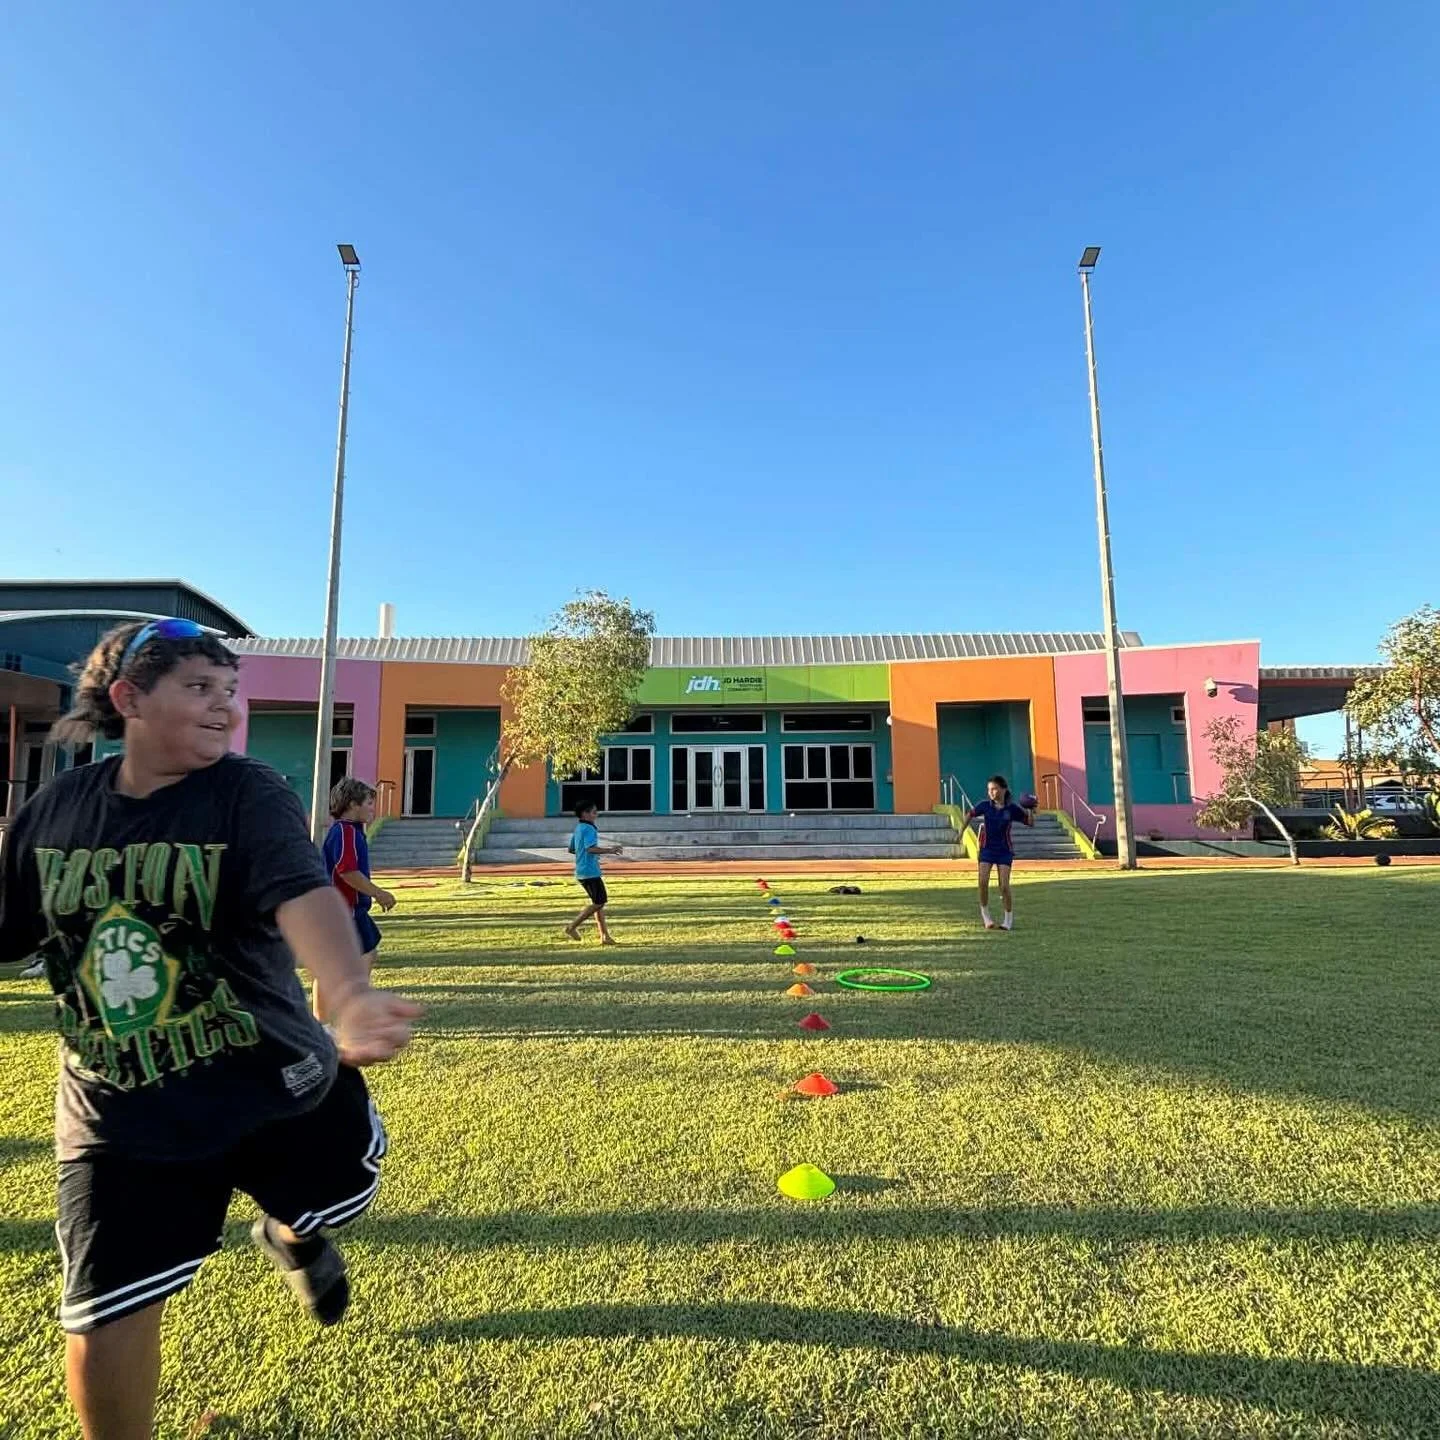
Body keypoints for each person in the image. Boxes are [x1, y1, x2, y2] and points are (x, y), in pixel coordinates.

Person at [0, 618, 421, 1440]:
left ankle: (293, 1234)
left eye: (230, 692)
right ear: (129, 700)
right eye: (200, 687)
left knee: (332, 1197)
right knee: (102, 1312)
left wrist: (348, 990)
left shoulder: (243, 790)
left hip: (270, 1086)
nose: (225, 709)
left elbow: (301, 892)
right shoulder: (55, 811)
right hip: (118, 1109)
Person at [317, 777, 396, 1023]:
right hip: (344, 910)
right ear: (352, 804)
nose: (373, 808)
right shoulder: (345, 832)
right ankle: (341, 1017)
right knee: (346, 962)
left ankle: (332, 1018)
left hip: (347, 910)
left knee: (365, 953)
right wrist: (378, 892)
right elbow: (347, 870)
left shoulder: (349, 831)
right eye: (369, 803)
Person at [965, 774, 1036, 931]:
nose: (991, 792)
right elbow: (969, 814)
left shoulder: (1012, 809)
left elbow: (1030, 822)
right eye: (989, 789)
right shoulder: (985, 805)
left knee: (1004, 886)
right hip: (987, 849)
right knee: (982, 881)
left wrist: (1030, 808)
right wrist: (960, 832)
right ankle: (986, 916)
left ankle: (1008, 919)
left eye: (994, 789)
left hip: (1004, 850)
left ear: (1003, 790)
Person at [563, 800, 622, 943]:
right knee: (599, 902)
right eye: (594, 812)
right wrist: (610, 850)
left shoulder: (579, 828)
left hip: (583, 870)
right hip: (590, 872)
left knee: (598, 903)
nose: (596, 815)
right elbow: (590, 848)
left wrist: (585, 855)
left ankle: (604, 936)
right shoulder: (589, 829)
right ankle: (572, 927)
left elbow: (572, 849)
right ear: (585, 814)